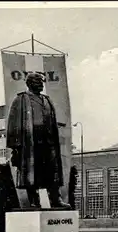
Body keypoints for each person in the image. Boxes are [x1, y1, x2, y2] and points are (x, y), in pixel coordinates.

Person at [6, 72, 70, 209]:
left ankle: (55, 199)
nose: (41, 84)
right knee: (31, 172)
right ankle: (34, 200)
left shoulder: (47, 100)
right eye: (38, 82)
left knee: (52, 170)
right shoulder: (21, 100)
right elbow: (13, 123)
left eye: (42, 82)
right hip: (31, 143)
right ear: (29, 83)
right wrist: (16, 146)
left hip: (49, 143)